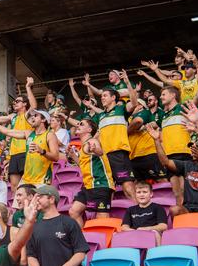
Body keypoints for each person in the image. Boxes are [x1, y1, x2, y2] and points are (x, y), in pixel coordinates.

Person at [147, 125, 198, 224]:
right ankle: (181, 237)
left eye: (197, 148)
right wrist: (157, 141)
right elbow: (165, 162)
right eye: (191, 148)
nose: (192, 150)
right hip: (188, 209)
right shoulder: (186, 165)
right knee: (175, 209)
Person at [91, 70, 138, 200]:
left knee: (128, 188)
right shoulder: (100, 116)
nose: (102, 98)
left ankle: (140, 213)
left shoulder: (120, 109)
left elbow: (134, 103)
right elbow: (98, 135)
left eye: (105, 95)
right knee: (108, 190)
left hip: (118, 154)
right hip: (104, 156)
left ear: (113, 98)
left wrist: (127, 82)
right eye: (102, 96)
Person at [0, 109, 60, 186]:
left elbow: (56, 157)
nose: (32, 118)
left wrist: (42, 151)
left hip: (42, 180)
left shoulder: (50, 135)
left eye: (36, 116)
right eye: (32, 116)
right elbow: (7, 132)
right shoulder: (28, 133)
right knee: (17, 197)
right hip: (26, 179)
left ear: (43, 119)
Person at [26, 185, 90, 266]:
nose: (36, 200)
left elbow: (81, 253)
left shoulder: (69, 222)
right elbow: (31, 256)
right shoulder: (33, 226)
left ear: (51, 199)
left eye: (40, 197)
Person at [0, 87, 36, 192]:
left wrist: (27, 87)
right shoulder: (13, 116)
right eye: (14, 102)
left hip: (26, 152)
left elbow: (34, 106)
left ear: (25, 104)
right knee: (14, 184)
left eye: (18, 101)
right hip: (14, 154)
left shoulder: (28, 114)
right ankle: (16, 207)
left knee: (28, 183)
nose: (14, 103)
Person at [67, 119, 115, 227]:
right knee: (73, 212)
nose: (78, 125)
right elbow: (84, 165)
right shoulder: (83, 146)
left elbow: (99, 151)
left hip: (100, 184)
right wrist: (73, 157)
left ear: (89, 129)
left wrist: (95, 150)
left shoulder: (92, 142)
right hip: (88, 185)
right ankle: (82, 239)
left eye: (81, 124)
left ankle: (105, 243)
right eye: (78, 123)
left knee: (102, 221)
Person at [127, 99, 168, 182]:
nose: (130, 106)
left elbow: (138, 121)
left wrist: (125, 132)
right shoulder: (128, 118)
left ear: (140, 106)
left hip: (148, 153)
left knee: (162, 180)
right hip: (133, 156)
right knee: (138, 185)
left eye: (133, 104)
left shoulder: (145, 112)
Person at [121, 181, 168, 245]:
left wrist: (145, 229)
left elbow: (163, 226)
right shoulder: (130, 210)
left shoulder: (158, 208)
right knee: (116, 235)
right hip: (134, 236)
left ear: (151, 194)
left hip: (151, 235)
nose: (141, 195)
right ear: (135, 195)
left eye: (145, 192)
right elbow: (124, 227)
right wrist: (135, 231)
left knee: (155, 232)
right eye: (138, 192)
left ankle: (157, 254)